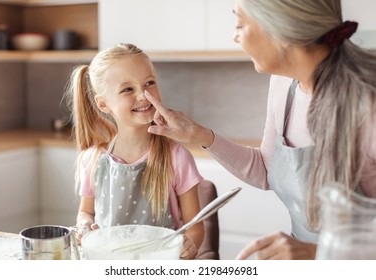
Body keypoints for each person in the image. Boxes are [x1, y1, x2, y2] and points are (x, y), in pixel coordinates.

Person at [142, 0, 376, 260]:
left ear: (280, 27)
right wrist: (199, 135)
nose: (235, 36)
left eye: (241, 24)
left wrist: (315, 253)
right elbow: (266, 170)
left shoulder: (368, 104)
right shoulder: (283, 85)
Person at [65, 43, 204, 259]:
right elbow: (86, 212)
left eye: (149, 83)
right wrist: (84, 225)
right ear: (103, 104)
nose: (143, 95)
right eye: (128, 89)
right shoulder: (92, 160)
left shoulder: (177, 157)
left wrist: (188, 247)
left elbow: (195, 228)